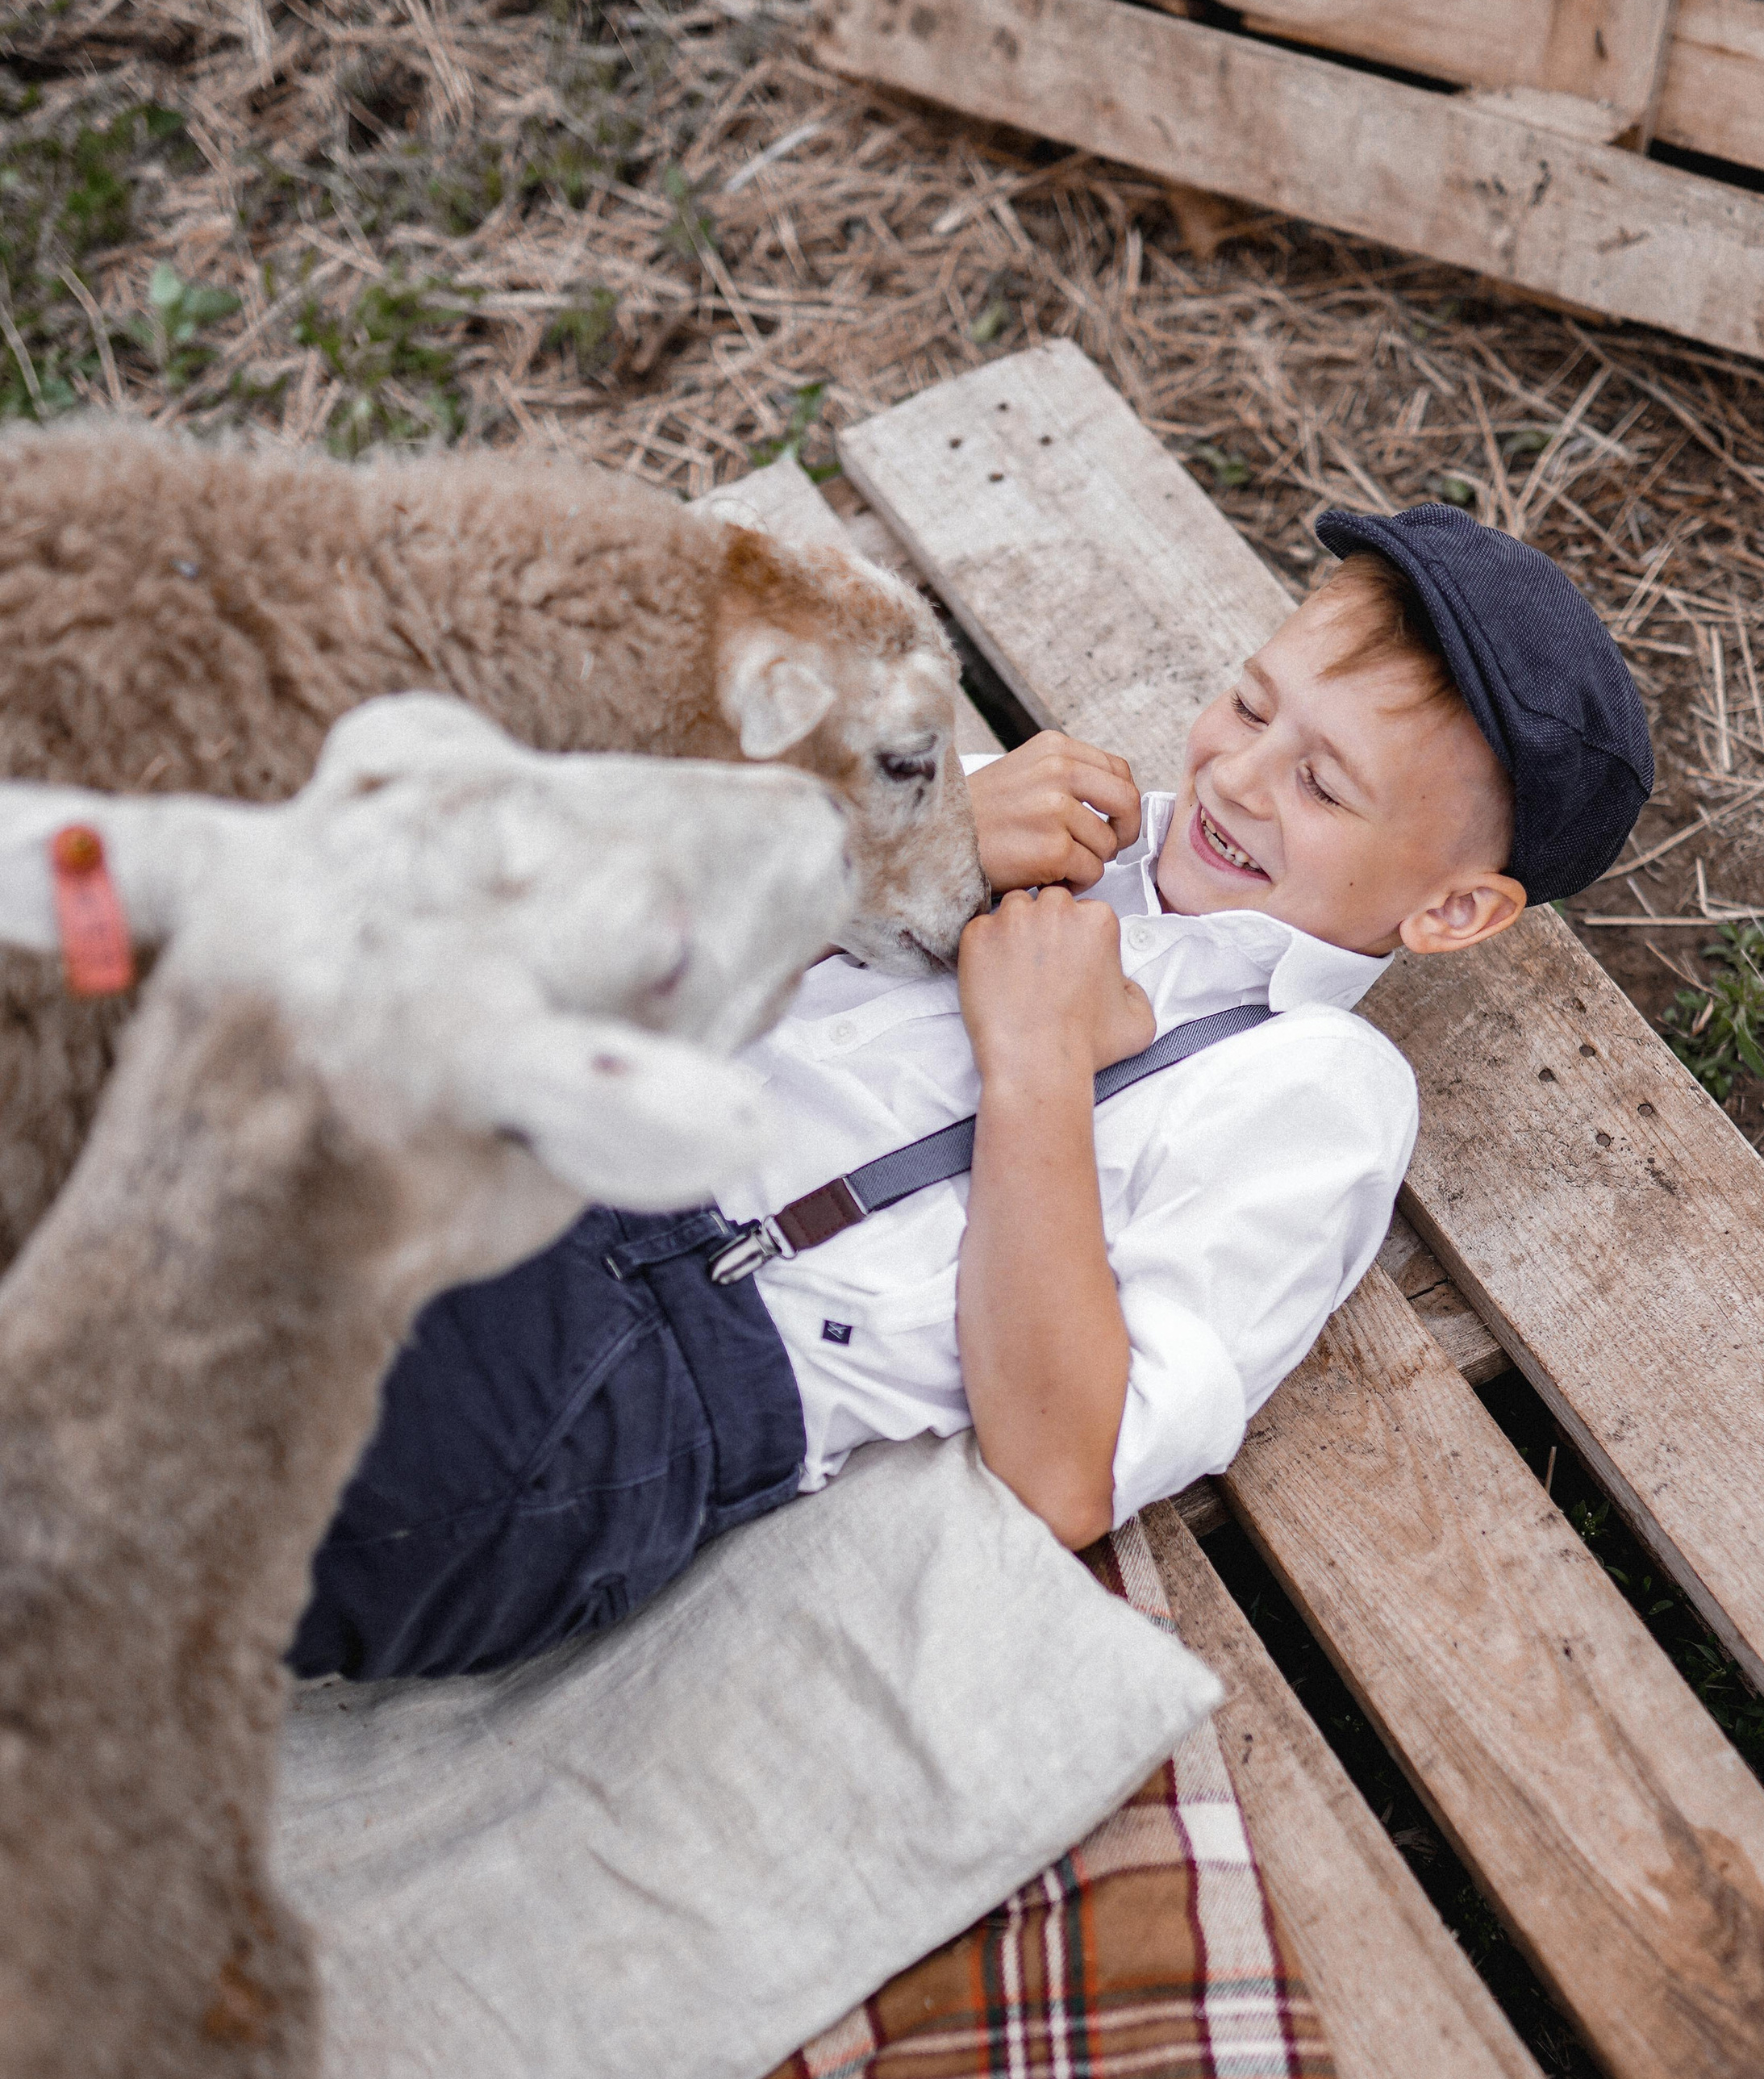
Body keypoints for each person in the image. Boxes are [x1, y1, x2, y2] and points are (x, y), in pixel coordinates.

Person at [290, 502, 1653, 1681]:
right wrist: (892, 846)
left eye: (1323, 783)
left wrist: (1040, 1071)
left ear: (1458, 909)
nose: (1232, 774)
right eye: (1249, 703)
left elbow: (1065, 1466)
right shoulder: (1054, 811)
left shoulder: (1316, 1091)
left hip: (647, 1350)